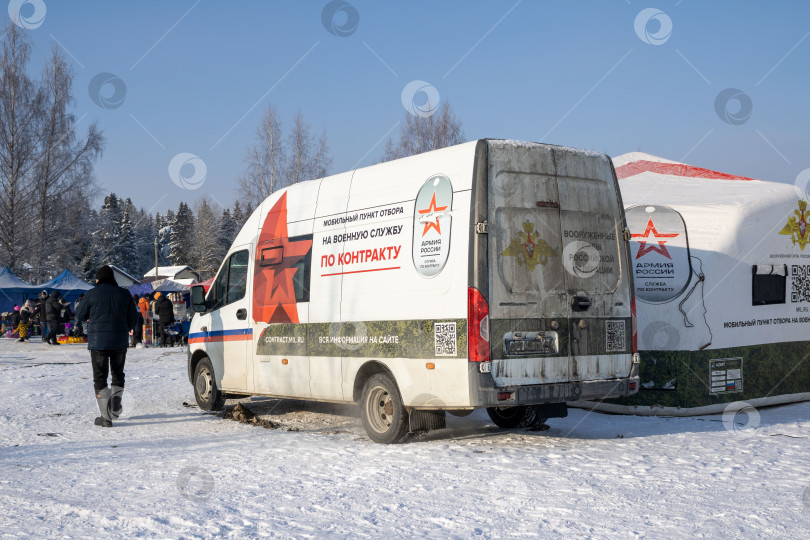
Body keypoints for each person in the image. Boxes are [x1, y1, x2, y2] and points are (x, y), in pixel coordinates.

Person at [75, 265, 137, 428]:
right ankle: (115, 408)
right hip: (119, 340)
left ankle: (105, 417)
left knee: (100, 377)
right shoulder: (124, 294)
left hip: (98, 342)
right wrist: (126, 327)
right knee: (118, 374)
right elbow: (134, 317)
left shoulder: (91, 293)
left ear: (98, 279)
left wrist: (90, 317)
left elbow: (80, 314)